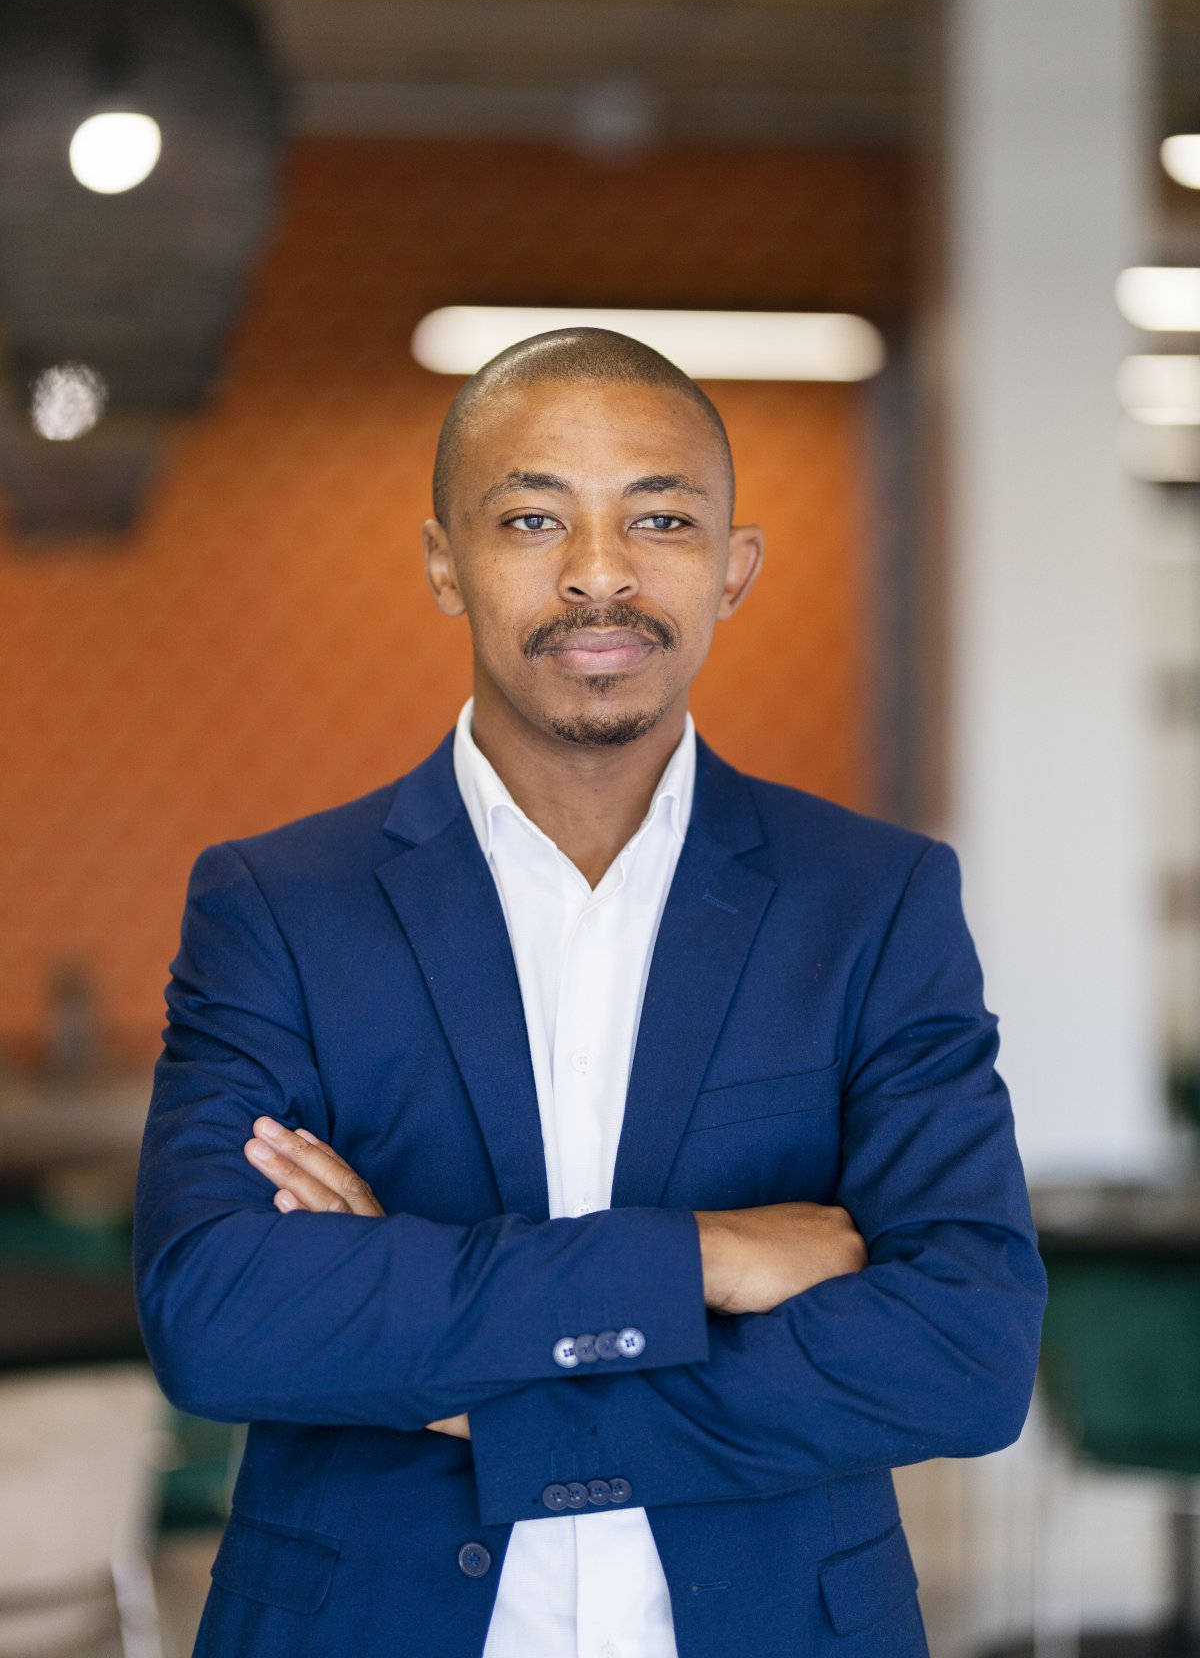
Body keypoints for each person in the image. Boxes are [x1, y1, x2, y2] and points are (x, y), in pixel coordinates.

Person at [134, 328, 1047, 1658]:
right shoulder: (280, 905)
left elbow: (965, 1351)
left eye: (661, 518)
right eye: (531, 516)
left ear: (734, 568)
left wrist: (457, 1374)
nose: (600, 573)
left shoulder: (873, 901)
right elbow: (223, 1319)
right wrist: (705, 1259)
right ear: (445, 560)